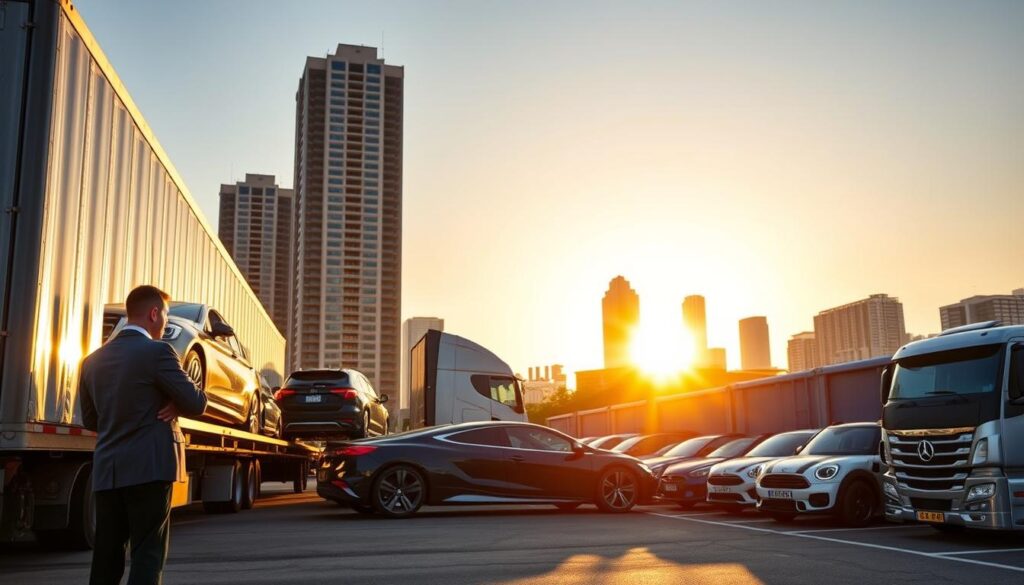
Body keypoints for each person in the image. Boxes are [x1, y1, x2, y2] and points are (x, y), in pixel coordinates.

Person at [80, 285, 208, 585]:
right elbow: (197, 403)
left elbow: (90, 419)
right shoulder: (158, 352)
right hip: (149, 469)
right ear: (154, 314)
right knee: (147, 554)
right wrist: (176, 401)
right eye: (165, 314)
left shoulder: (92, 360)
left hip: (107, 472)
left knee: (105, 557)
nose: (165, 322)